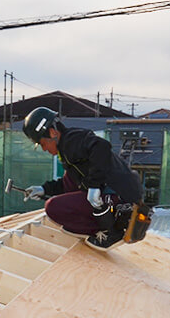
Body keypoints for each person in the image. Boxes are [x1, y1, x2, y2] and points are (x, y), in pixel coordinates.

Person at [20, 106, 144, 250]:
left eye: (42, 143)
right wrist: (43, 189)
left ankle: (111, 232)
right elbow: (68, 183)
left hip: (120, 195)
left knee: (52, 207)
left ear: (53, 132)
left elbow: (101, 146)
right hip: (121, 191)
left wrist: (94, 186)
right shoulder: (68, 146)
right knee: (69, 179)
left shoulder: (72, 141)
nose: (44, 149)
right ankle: (107, 223)